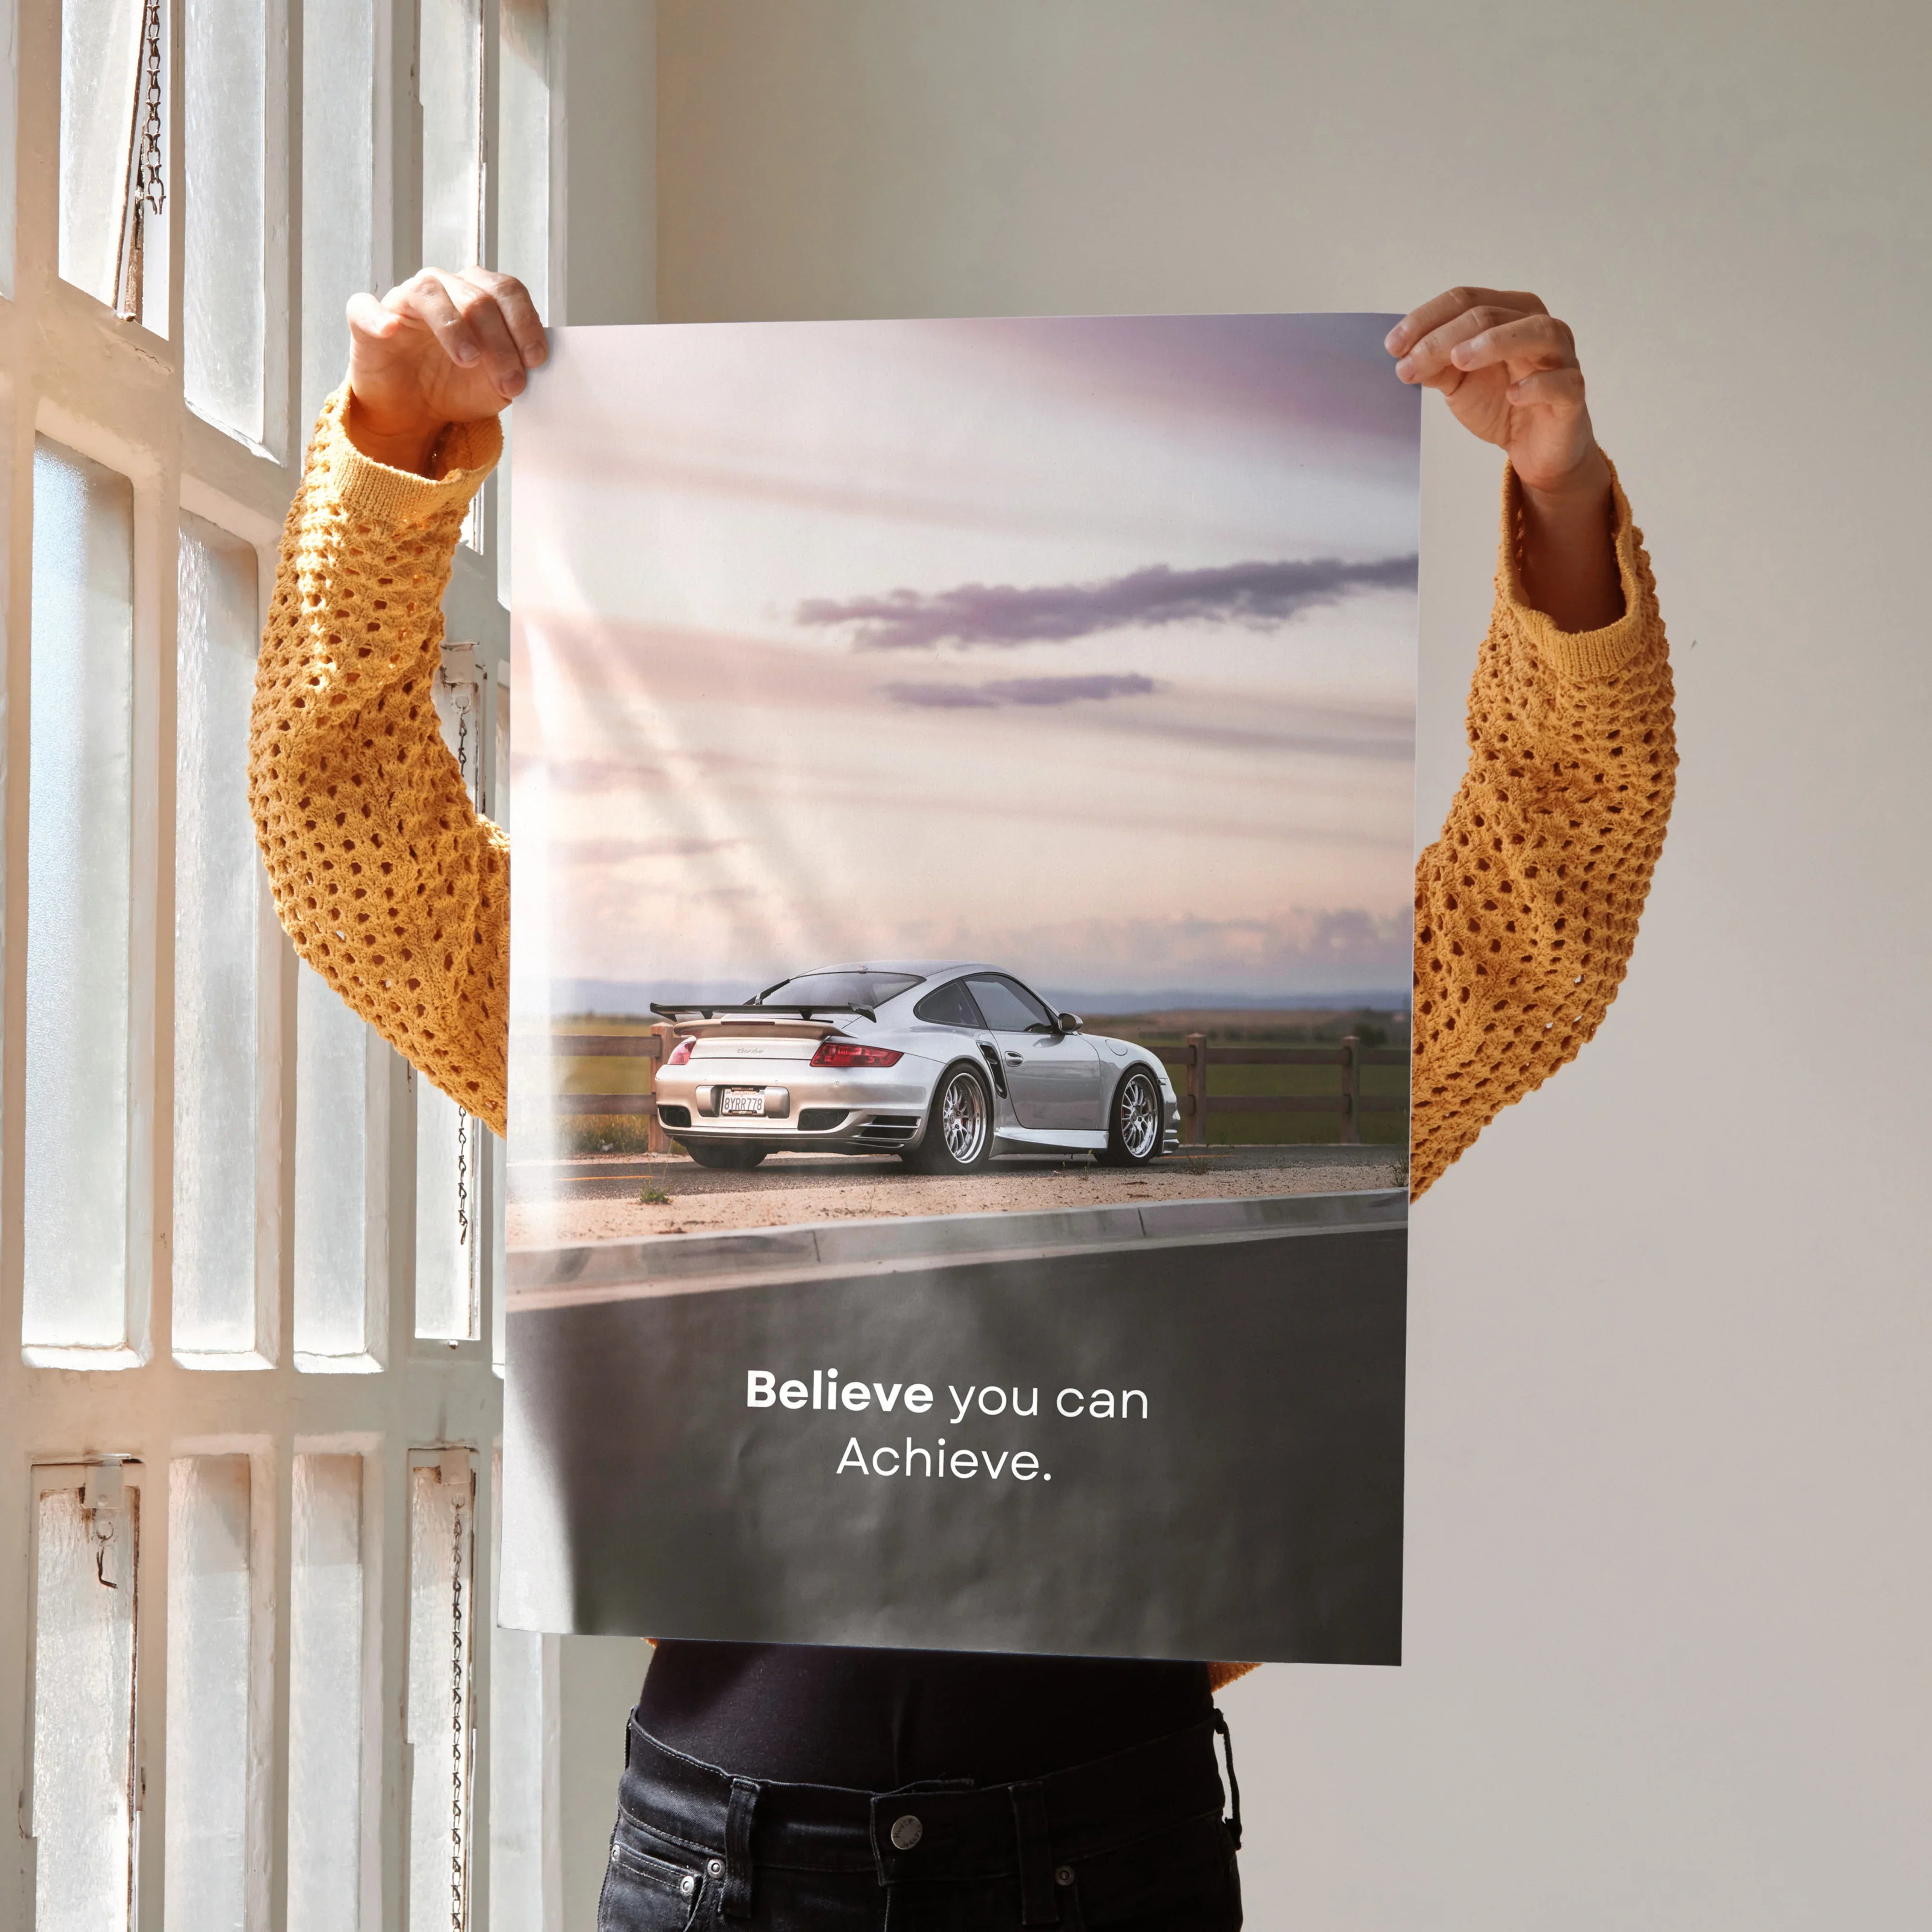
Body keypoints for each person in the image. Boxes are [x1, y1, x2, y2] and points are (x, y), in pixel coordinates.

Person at [250, 270, 1675, 1930]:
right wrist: (393, 447)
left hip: (1098, 1850)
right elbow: (348, 840)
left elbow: (1545, 904)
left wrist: (1560, 499)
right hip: (729, 1861)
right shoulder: (615, 1006)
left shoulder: (1271, 1085)